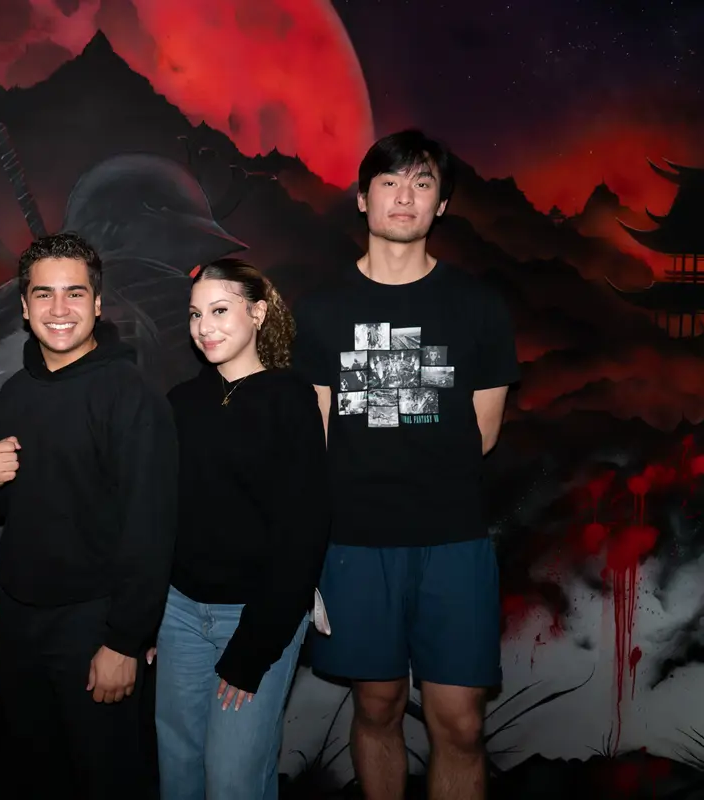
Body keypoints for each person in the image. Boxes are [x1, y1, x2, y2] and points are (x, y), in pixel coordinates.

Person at [292, 129, 519, 800]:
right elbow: (315, 433)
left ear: (440, 205)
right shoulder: (321, 310)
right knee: (376, 707)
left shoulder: (477, 306)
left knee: (459, 723)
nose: (404, 196)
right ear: (362, 199)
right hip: (356, 543)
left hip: (452, 541)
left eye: (421, 184)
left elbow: (481, 432)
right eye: (389, 182)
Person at [0, 231, 179, 798]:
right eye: (43, 295)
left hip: (95, 628)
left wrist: (123, 641)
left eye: (74, 294)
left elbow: (152, 526)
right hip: (20, 627)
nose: (59, 310)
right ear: (24, 307)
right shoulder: (15, 392)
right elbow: (0, 510)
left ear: (97, 303)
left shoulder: (131, 394)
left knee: (106, 779)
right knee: (30, 778)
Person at [155, 258, 329, 800]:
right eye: (195, 314)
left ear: (257, 313)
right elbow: (159, 513)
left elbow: (303, 530)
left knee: (233, 781)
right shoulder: (181, 403)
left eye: (220, 310)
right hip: (178, 614)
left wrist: (256, 647)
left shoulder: (291, 399)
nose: (205, 326)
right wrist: (146, 611)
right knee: (179, 773)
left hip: (255, 618)